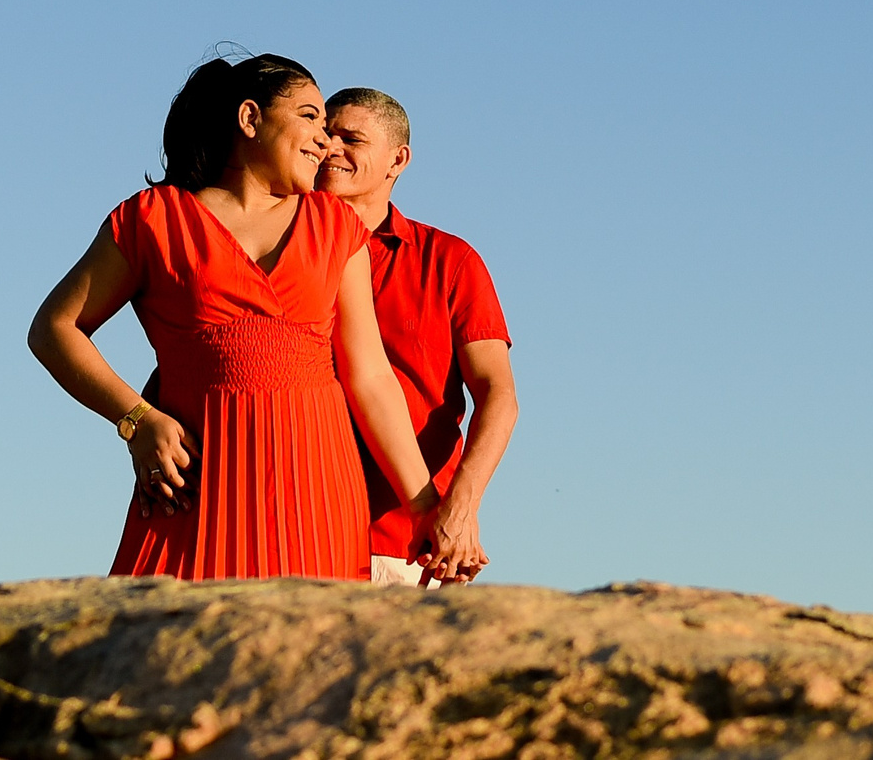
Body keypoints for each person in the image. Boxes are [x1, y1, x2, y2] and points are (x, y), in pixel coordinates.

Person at [26, 53, 444, 579]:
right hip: (196, 492)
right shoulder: (152, 219)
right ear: (250, 119)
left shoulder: (336, 225)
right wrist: (136, 420)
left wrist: (424, 503)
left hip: (317, 492)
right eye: (310, 117)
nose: (327, 140)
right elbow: (54, 329)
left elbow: (370, 377)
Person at [317, 87, 518, 588]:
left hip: (407, 544)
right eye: (325, 135)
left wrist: (460, 507)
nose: (331, 149)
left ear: (397, 160)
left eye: (351, 139)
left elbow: (498, 395)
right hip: (297, 527)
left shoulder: (450, 262)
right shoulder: (278, 250)